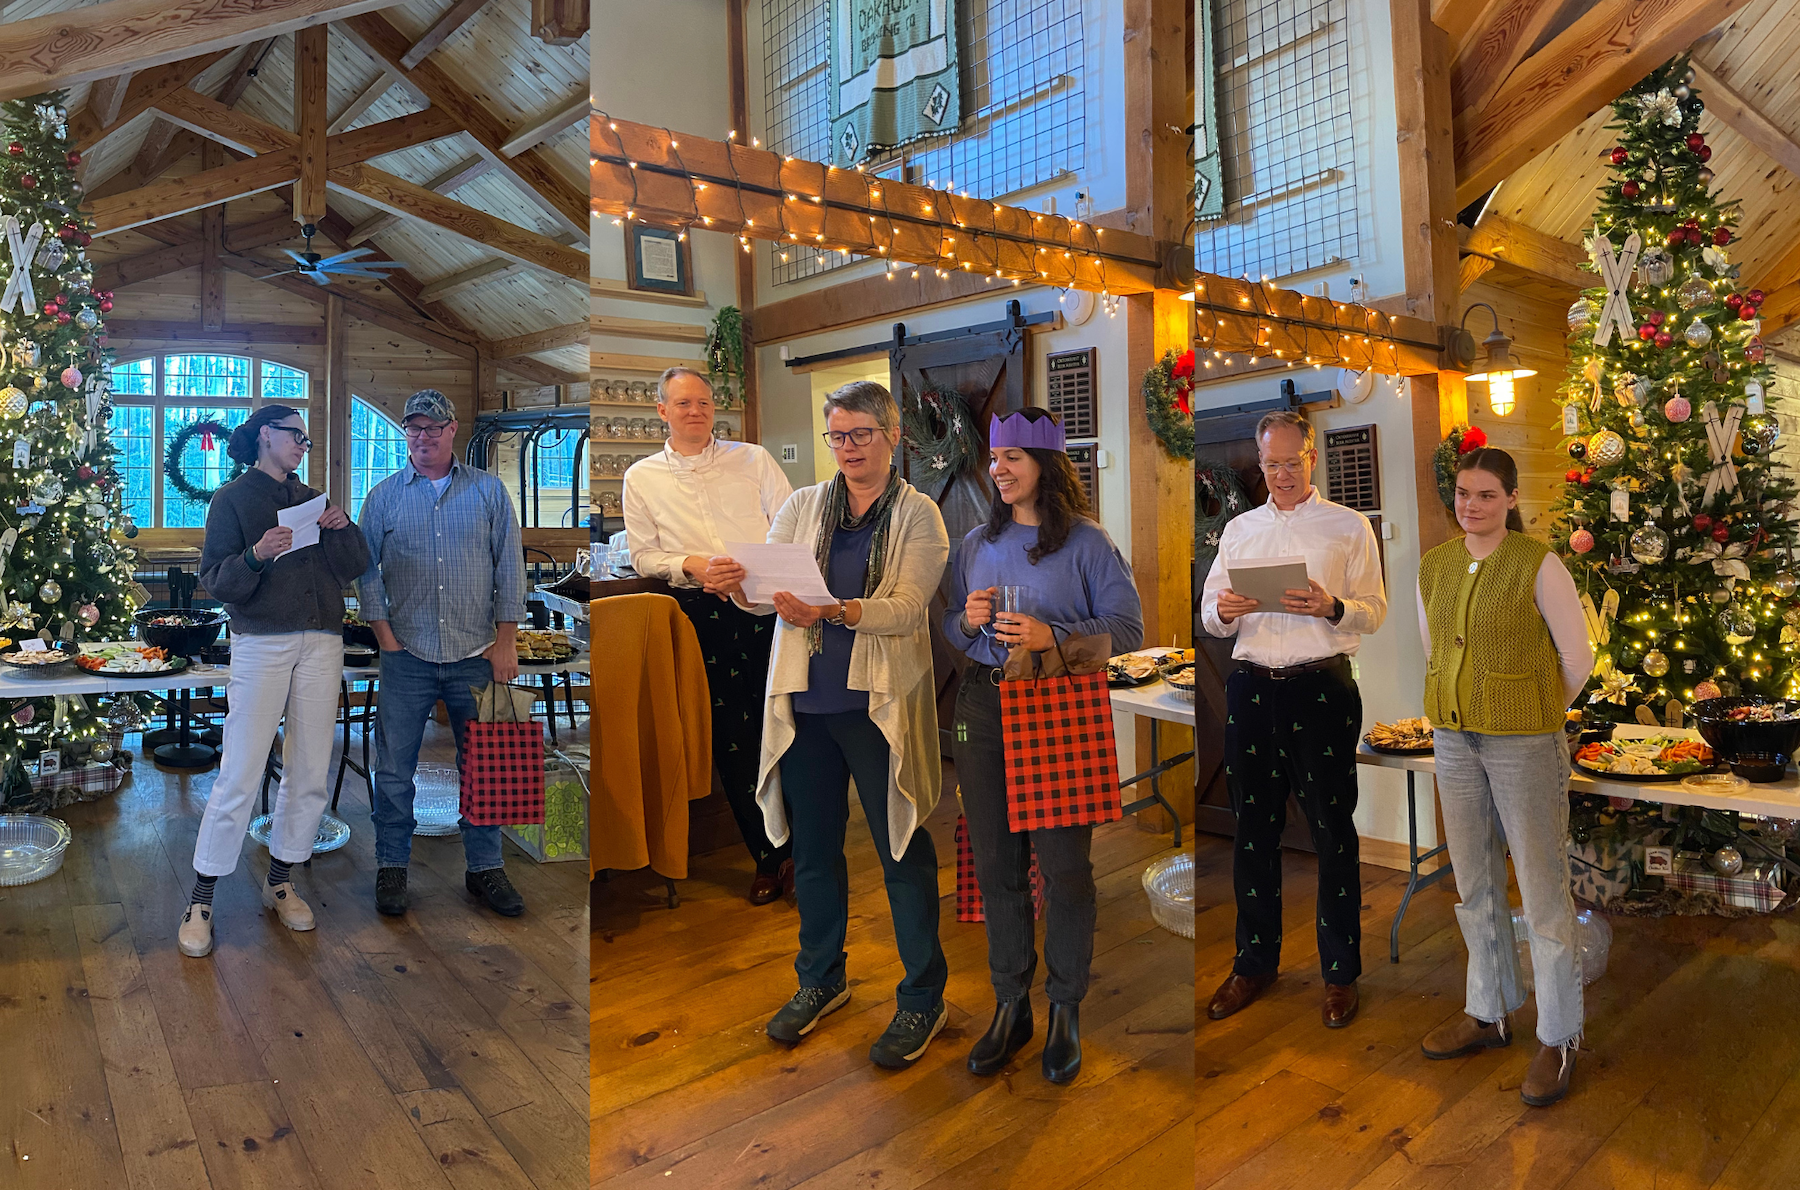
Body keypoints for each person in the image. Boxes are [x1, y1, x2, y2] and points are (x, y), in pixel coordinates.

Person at [708, 380, 951, 1070]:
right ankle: (821, 978)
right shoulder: (804, 505)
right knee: (813, 854)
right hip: (806, 707)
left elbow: (906, 608)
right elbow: (770, 595)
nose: (847, 448)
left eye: (860, 435)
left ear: (892, 435)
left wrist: (837, 611)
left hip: (877, 708)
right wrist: (741, 586)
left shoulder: (920, 515)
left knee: (901, 850)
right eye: (837, 436)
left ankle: (922, 996)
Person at [944, 407, 1143, 1085]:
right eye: (993, 458)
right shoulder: (976, 542)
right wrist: (965, 621)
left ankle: (1064, 1007)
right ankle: (1011, 1004)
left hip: (1056, 706)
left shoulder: (1088, 542)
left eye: (1013, 458)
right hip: (982, 705)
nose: (997, 469)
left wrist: (1051, 638)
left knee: (1064, 869)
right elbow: (954, 627)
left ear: (1047, 465)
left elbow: (1128, 629)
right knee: (995, 864)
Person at [1416, 447, 1592, 1107]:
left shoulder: (1538, 564)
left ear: (1511, 499)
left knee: (1543, 890)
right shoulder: (1435, 564)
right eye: (1464, 493)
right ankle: (1488, 1012)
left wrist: (1535, 710)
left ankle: (1560, 1034)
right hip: (1454, 739)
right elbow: (1436, 649)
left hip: (1524, 744)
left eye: (1487, 494)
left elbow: (1576, 657)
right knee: (1475, 884)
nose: (1472, 505)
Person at [1199, 409, 1386, 1028]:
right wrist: (1226, 611)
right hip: (1252, 688)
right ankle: (1254, 964)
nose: (1280, 474)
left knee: (1332, 832)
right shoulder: (1240, 529)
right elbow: (1211, 617)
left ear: (1312, 457)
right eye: (1270, 463)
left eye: (1291, 461)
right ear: (1261, 463)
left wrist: (1332, 605)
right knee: (1253, 830)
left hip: (1321, 689)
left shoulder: (1348, 526)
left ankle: (1340, 974)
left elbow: (1374, 610)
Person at [182, 405, 370, 958]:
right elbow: (216, 580)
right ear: (266, 434)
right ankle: (201, 901)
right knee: (240, 770)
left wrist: (343, 527)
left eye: (306, 440)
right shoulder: (233, 499)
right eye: (296, 436)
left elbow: (353, 565)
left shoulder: (315, 498)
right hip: (262, 643)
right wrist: (257, 555)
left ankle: (281, 882)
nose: (303, 446)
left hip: (323, 641)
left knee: (310, 768)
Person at [623, 367, 796, 904]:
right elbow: (642, 555)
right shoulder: (641, 476)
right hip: (702, 615)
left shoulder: (755, 459)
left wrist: (752, 569)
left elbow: (792, 527)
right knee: (733, 738)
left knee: (789, 727)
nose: (695, 411)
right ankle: (768, 857)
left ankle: (809, 855)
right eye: (683, 403)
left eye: (703, 402)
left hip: (770, 609)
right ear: (662, 410)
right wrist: (692, 564)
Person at [357, 389, 528, 918]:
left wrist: (506, 640)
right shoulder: (383, 497)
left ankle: (485, 868)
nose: (423, 437)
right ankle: (391, 864)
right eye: (414, 428)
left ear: (453, 429)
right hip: (406, 654)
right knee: (393, 769)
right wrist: (385, 635)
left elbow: (509, 567)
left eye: (433, 427)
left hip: (477, 652)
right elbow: (365, 571)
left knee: (488, 764)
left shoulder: (488, 491)